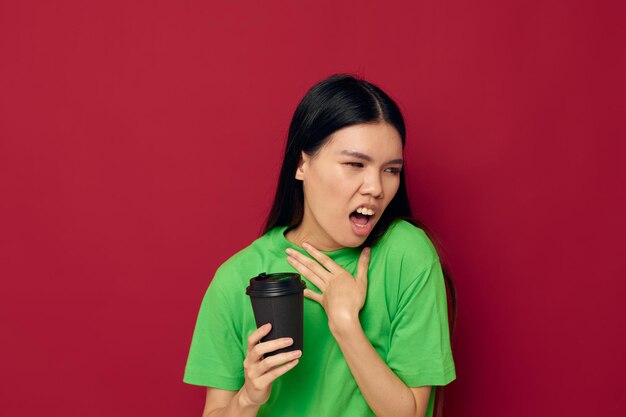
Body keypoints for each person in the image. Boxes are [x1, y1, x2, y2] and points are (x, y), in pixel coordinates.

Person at [183, 74, 456, 417]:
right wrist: (248, 398)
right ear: (302, 164)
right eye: (355, 164)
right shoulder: (237, 277)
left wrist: (345, 323)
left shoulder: (407, 255)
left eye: (390, 170)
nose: (375, 187)